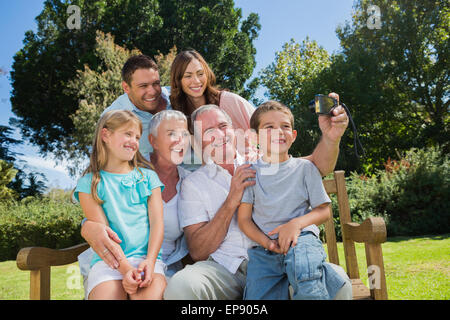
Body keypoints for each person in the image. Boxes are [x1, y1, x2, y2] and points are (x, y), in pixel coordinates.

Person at [164, 101, 352, 300]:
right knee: (181, 286)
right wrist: (231, 201)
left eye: (222, 127)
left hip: (284, 260)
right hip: (227, 268)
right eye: (209, 131)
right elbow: (198, 251)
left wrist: (332, 138)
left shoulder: (264, 160)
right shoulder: (193, 184)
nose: (219, 135)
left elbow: (316, 164)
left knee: (338, 284)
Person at [237, 101, 349, 300]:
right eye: (269, 127)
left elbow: (324, 210)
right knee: (257, 295)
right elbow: (244, 220)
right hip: (265, 249)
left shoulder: (305, 168)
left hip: (301, 241)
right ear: (254, 137)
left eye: (285, 126)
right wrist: (268, 243)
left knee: (307, 277)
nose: (278, 131)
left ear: (293, 135)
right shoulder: (250, 173)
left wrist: (295, 225)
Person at [74, 110, 166, 300]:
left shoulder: (148, 177)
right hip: (109, 262)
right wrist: (125, 269)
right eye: (127, 134)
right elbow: (104, 235)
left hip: (148, 261)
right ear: (105, 135)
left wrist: (149, 261)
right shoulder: (89, 184)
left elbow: (157, 224)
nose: (133, 141)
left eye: (137, 137)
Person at [102, 54, 172, 157]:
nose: (152, 91)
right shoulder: (111, 117)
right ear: (126, 87)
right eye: (143, 86)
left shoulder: (178, 97)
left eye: (156, 83)